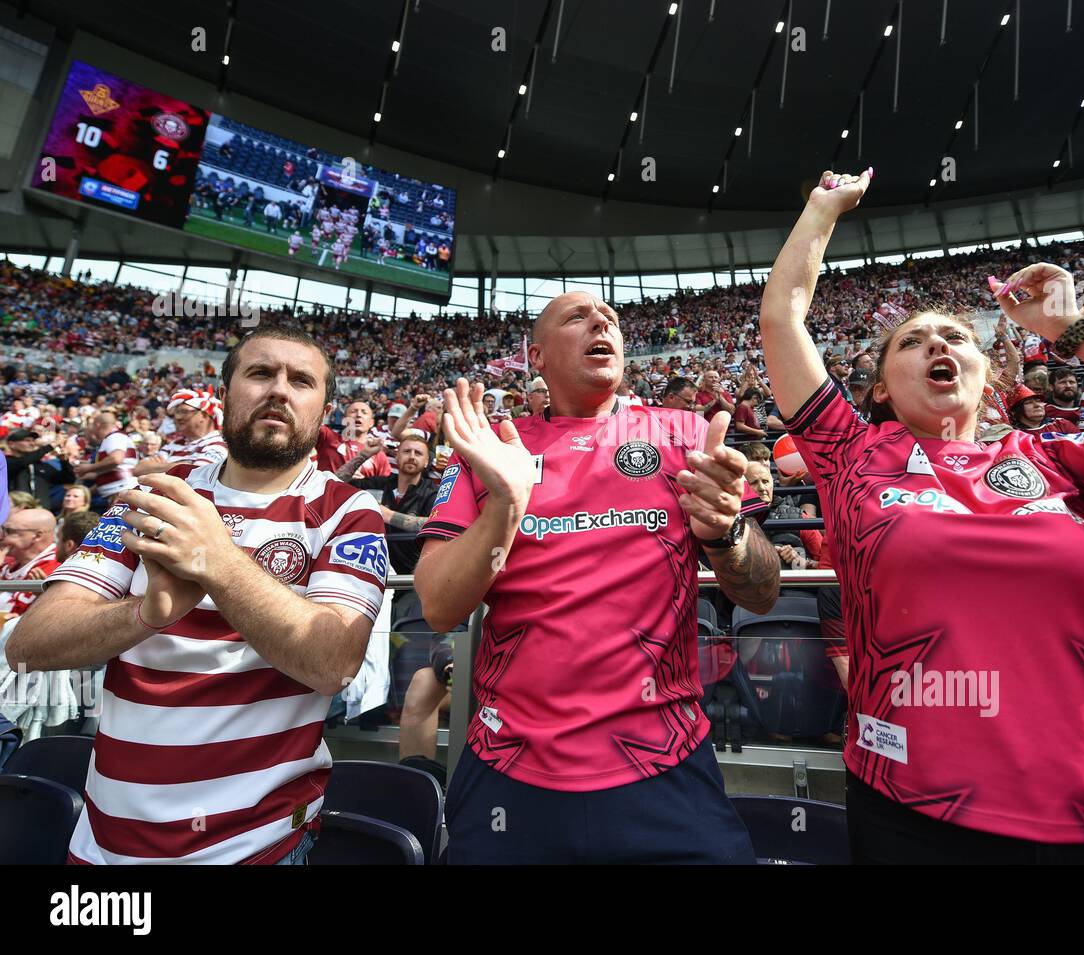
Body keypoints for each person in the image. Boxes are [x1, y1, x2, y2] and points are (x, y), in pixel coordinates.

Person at [759, 167, 1084, 864]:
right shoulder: (849, 453)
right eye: (913, 341)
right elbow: (782, 316)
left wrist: (1071, 327)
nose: (939, 344)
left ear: (988, 376)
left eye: (956, 337)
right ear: (879, 387)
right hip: (917, 806)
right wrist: (822, 207)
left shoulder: (1054, 460)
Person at [414, 292, 780, 864]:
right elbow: (437, 605)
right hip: (510, 764)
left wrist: (726, 533)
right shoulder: (491, 450)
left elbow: (762, 593)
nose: (602, 319)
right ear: (536, 355)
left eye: (609, 316)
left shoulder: (684, 433)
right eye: (577, 317)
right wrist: (505, 505)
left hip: (666, 762)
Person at [8, 325, 389, 865]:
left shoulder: (348, 513)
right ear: (227, 394)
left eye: (301, 380)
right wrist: (146, 612)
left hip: (256, 846)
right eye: (260, 373)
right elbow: (29, 645)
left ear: (322, 410)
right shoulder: (157, 496)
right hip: (103, 844)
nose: (279, 389)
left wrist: (217, 561)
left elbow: (332, 663)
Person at [335, 432, 438, 575]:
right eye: (407, 451)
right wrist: (365, 454)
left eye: (418, 453)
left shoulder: (432, 492)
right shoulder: (381, 483)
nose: (412, 456)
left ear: (427, 461)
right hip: (368, 570)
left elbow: (434, 524)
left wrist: (388, 515)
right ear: (396, 456)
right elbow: (336, 484)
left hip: (411, 578)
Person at [134, 388, 228, 477]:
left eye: (184, 412)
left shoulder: (217, 445)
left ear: (204, 415)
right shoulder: (175, 443)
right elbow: (138, 469)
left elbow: (196, 477)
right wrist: (179, 466)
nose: (177, 417)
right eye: (177, 412)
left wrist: (159, 466)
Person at [0, 507, 58, 620]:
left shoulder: (57, 570)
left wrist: (18, 621)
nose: (1, 536)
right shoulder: (6, 561)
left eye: (9, 531)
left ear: (37, 536)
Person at [75, 412, 139, 504]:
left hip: (120, 493)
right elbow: (112, 470)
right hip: (117, 492)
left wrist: (89, 468)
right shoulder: (113, 437)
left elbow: (116, 459)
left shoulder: (114, 436)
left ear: (97, 425)